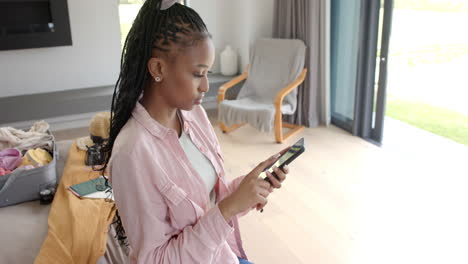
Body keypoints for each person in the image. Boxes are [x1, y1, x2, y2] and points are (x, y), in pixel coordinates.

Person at [101, 1, 289, 263]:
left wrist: (246, 191)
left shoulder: (193, 115)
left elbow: (206, 203)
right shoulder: (132, 153)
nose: (206, 86)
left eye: (207, 73)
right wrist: (228, 208)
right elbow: (156, 259)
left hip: (224, 255)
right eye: (198, 74)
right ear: (158, 69)